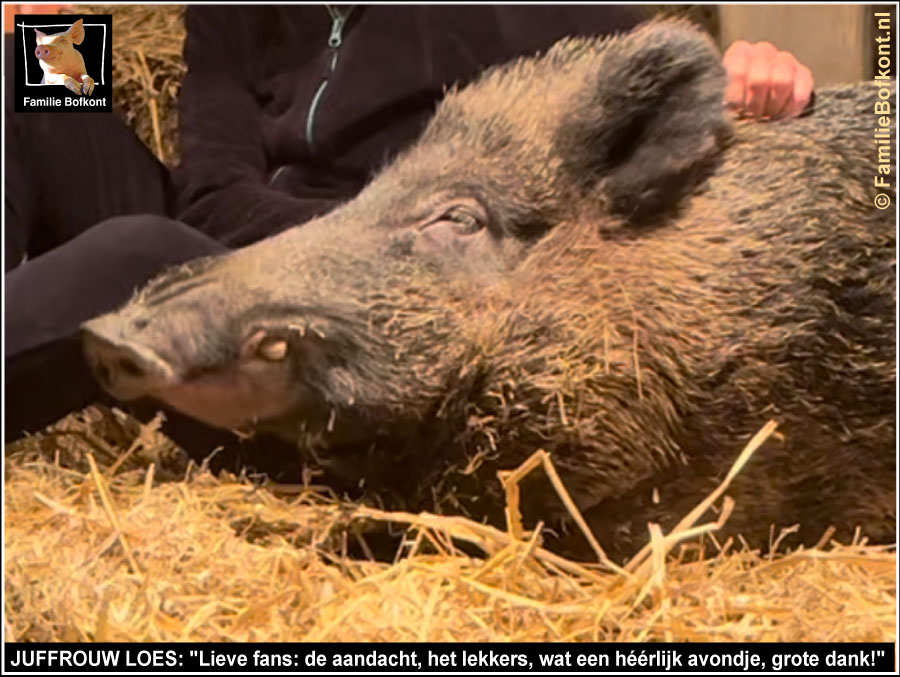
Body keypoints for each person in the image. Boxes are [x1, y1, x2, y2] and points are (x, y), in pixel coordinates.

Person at [4, 6, 815, 474]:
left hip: (358, 341)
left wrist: (755, 74)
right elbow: (211, 188)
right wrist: (51, 27)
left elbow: (638, 92)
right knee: (27, 70)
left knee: (134, 259)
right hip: (244, 244)